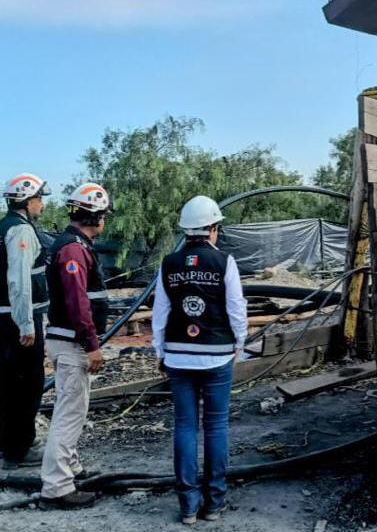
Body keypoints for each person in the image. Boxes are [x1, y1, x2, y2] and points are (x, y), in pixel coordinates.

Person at [153, 195, 248, 525]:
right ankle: (214, 504)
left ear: (186, 230)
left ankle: (188, 505)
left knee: (184, 426)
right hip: (217, 355)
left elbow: (160, 313)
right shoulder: (224, 262)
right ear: (212, 228)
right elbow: (236, 309)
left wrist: (160, 351)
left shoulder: (169, 263)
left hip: (179, 356)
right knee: (216, 426)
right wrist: (239, 343)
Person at [39, 182, 112, 509]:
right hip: (71, 344)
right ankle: (57, 486)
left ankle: (71, 467)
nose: (106, 221)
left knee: (73, 410)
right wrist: (92, 344)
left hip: (66, 341)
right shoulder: (72, 250)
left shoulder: (72, 245)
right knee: (69, 415)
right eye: (104, 215)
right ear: (95, 216)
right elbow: (76, 302)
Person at [0, 173, 51, 470]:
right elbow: (20, 280)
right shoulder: (21, 231)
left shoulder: (0, 227)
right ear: (27, 201)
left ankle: (6, 441)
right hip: (20, 319)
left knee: (8, 380)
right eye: (40, 198)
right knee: (28, 383)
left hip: (2, 316)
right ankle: (20, 448)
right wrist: (26, 323)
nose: (42, 204)